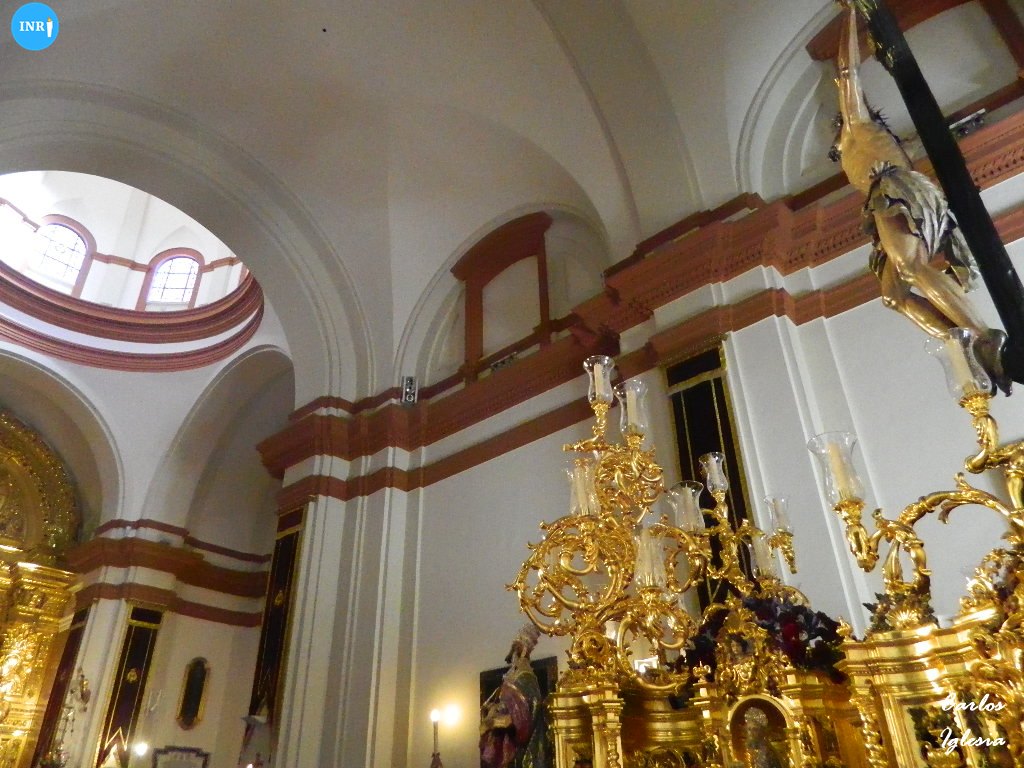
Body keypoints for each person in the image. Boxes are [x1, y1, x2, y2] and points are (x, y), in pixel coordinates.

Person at [831, 4, 1009, 393]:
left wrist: (850, 14)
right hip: (884, 202)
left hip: (895, 190)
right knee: (893, 296)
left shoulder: (858, 124)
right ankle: (963, 345)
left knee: (911, 268)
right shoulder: (862, 146)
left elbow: (846, 72)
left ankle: (983, 336)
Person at [480, 625, 551, 768]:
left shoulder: (526, 678)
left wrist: (498, 718)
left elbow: (523, 715)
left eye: (515, 648)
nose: (511, 655)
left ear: (522, 651)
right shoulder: (515, 677)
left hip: (526, 749)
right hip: (514, 746)